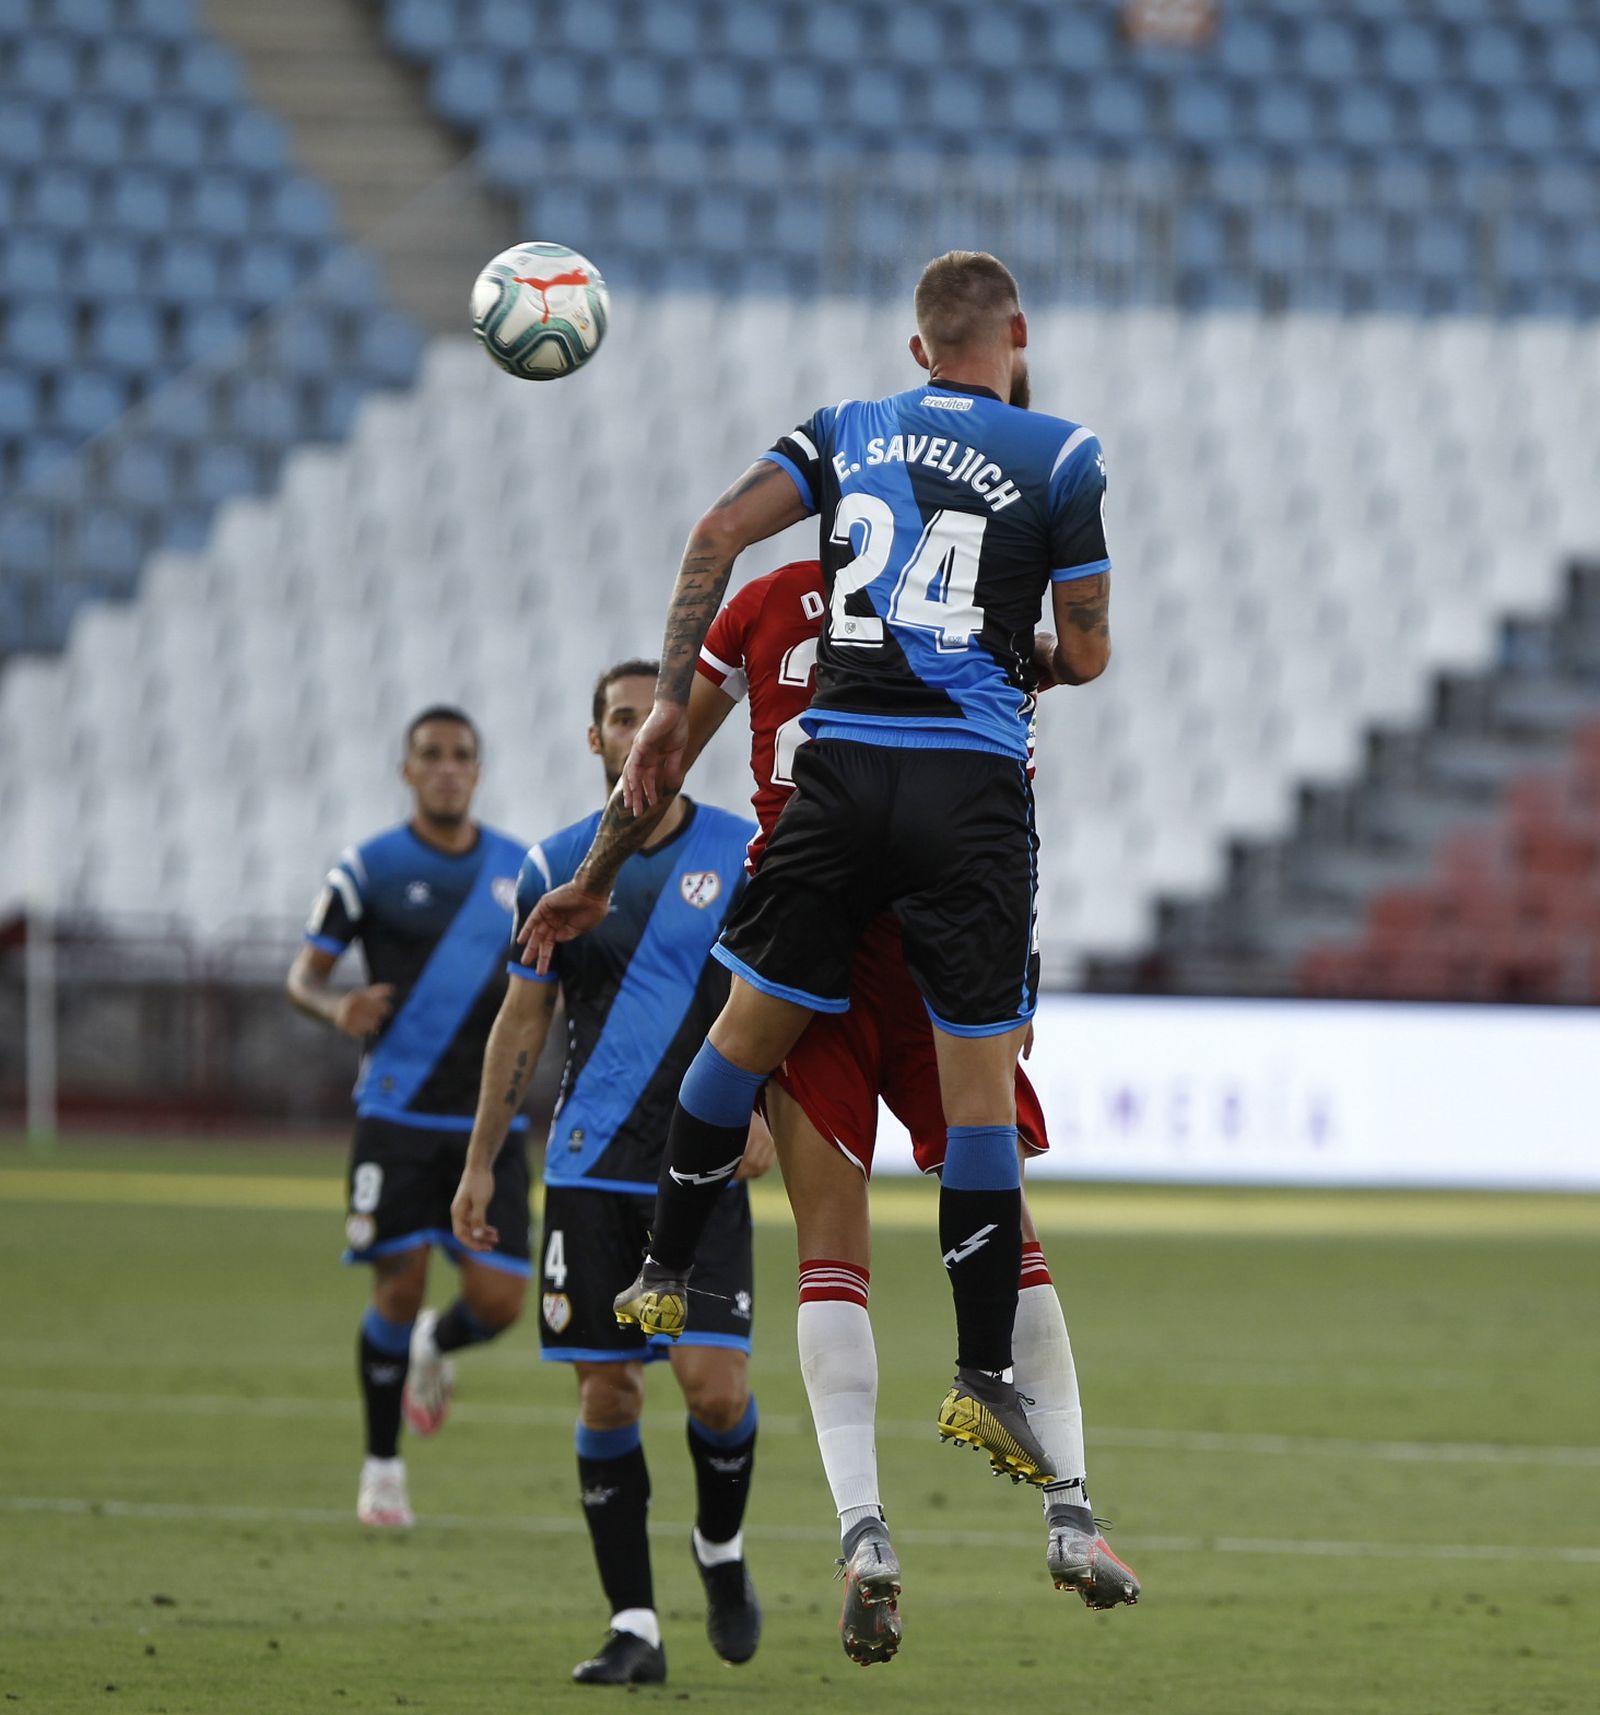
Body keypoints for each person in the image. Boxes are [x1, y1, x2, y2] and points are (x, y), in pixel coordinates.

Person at [525, 561, 1138, 1667]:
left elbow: (661, 756)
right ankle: (1070, 1513)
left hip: (803, 921)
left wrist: (600, 873)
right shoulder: (972, 598)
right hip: (943, 930)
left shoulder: (768, 597)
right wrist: (1018, 976)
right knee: (1008, 1225)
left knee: (828, 1250)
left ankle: (864, 1535)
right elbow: (1014, 798)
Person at [600, 247, 1112, 1506]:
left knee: (741, 1035)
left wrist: (669, 705)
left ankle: (665, 1263)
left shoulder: (843, 429)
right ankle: (982, 1373)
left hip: (835, 775)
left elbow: (716, 532)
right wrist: (1019, 654)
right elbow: (1089, 653)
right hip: (967, 795)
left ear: (915, 346)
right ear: (1016, 333)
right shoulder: (1064, 454)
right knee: (978, 1100)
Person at [451, 660, 772, 1688]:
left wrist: (769, 1102)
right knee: (608, 1395)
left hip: (701, 1160)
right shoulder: (552, 867)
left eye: (656, 720)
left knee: (714, 1389)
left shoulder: (742, 852)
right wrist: (480, 1159)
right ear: (595, 739)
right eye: (620, 719)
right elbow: (522, 1017)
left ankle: (718, 1551)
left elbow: (792, 990)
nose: (639, 734)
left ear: (680, 738)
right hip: (588, 1166)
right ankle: (633, 1621)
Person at [286, 706, 530, 1530]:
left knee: (499, 1301)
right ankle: (382, 1467)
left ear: (478, 769)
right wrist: (335, 1007)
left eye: (462, 754)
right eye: (431, 755)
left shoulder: (519, 871)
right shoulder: (370, 868)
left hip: (488, 1124)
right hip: (395, 1113)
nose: (447, 767)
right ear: (407, 769)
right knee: (400, 1283)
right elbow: (302, 977)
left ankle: (438, 1342)